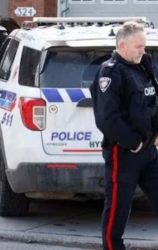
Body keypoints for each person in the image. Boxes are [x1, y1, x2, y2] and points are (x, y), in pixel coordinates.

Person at [90, 21, 158, 250]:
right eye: (139, 46)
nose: (143, 50)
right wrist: (134, 142)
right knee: (118, 208)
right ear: (122, 45)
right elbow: (107, 118)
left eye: (144, 45)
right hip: (125, 153)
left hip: (149, 152)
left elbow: (151, 103)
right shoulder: (110, 72)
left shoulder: (142, 67)